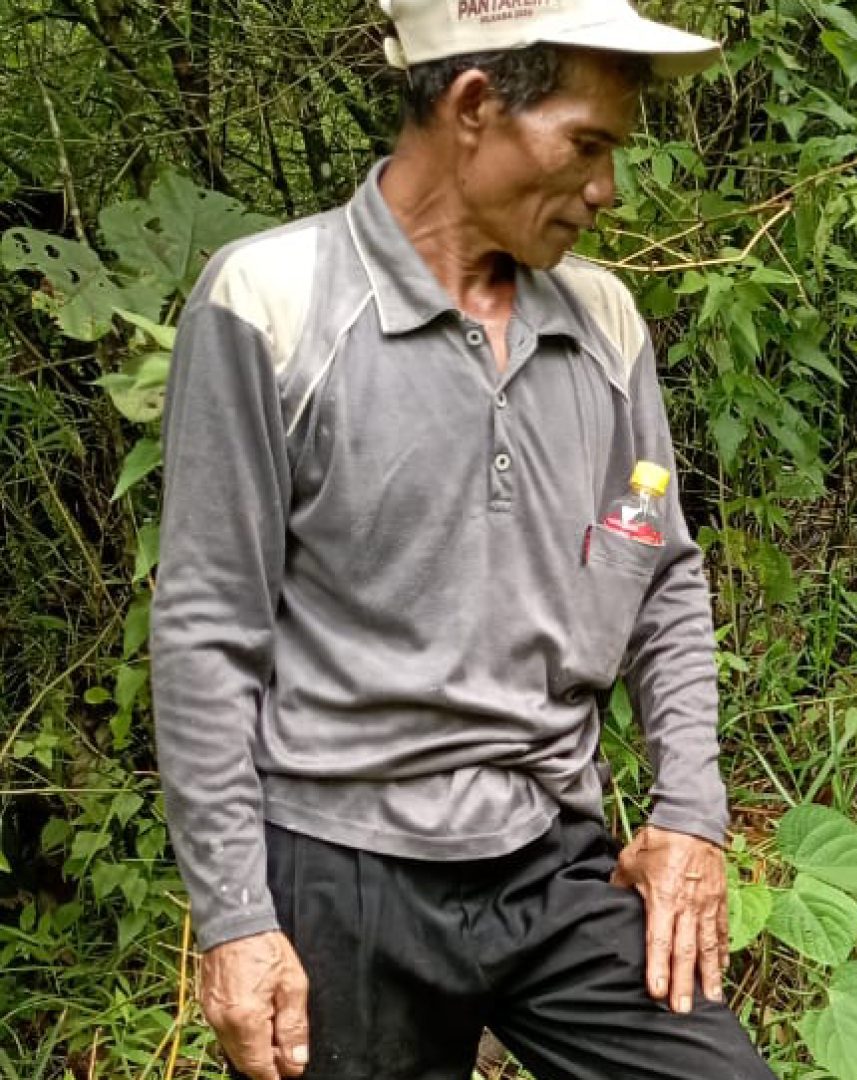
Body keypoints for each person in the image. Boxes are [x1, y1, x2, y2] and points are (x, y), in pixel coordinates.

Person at [150, 2, 773, 1077]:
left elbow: (660, 572)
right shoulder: (271, 305)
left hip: (551, 852)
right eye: (588, 144)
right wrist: (236, 919)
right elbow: (209, 626)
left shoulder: (603, 322)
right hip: (343, 868)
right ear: (476, 106)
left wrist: (689, 816)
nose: (606, 190)